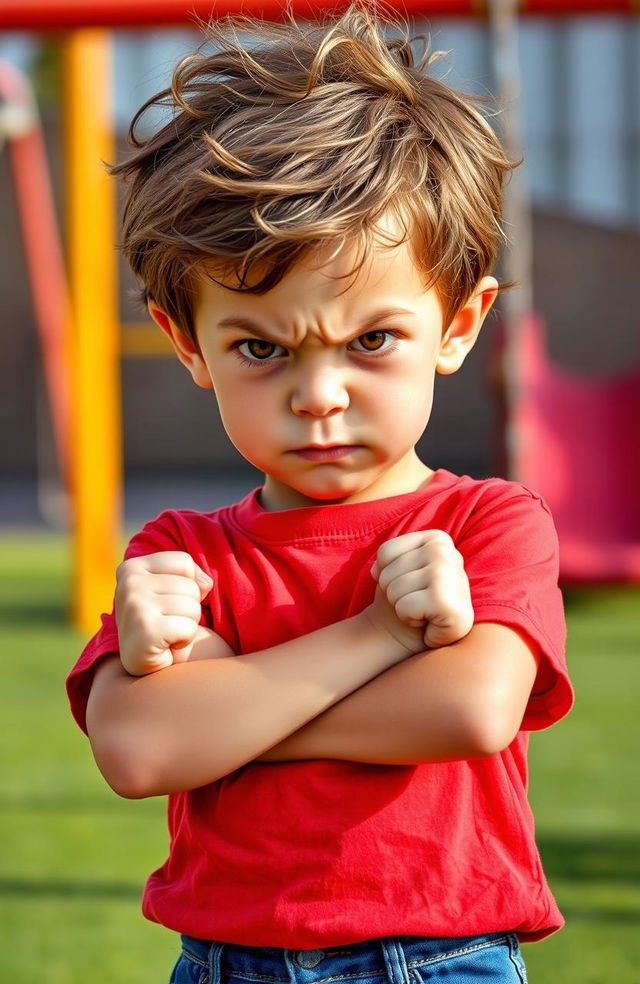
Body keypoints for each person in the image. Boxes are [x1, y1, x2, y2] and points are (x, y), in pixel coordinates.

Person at [66, 5, 574, 982]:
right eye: (260, 347)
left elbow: (469, 710)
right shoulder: (180, 553)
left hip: (437, 959)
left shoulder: (486, 522)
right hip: (226, 962)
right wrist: (384, 638)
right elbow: (136, 752)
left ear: (458, 324)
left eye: (372, 340)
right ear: (189, 344)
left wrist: (221, 714)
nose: (318, 397)